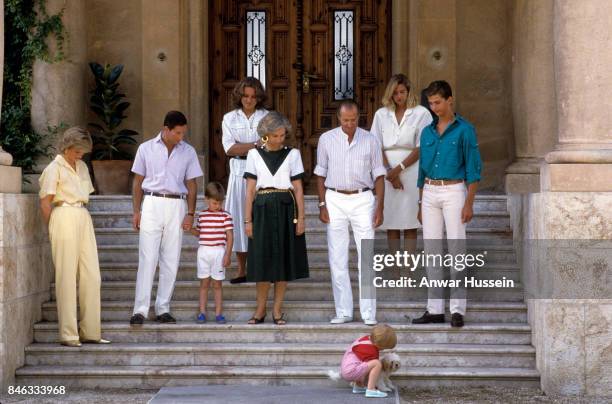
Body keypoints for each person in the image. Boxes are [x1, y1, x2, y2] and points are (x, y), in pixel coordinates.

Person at [412, 80, 482, 328]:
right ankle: (434, 309)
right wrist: (420, 202)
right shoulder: (427, 132)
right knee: (431, 251)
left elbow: (474, 169)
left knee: (456, 250)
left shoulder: (465, 129)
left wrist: (469, 203)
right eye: (430, 103)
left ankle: (457, 310)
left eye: (438, 102)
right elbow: (421, 169)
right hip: (430, 191)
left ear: (450, 100)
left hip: (454, 190)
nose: (434, 108)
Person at [314, 99, 387, 326]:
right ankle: (344, 311)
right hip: (334, 198)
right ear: (339, 118)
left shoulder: (370, 140)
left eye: (353, 120)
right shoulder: (326, 139)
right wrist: (322, 204)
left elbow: (379, 176)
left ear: (359, 117)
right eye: (345, 120)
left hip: (363, 198)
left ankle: (368, 313)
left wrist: (380, 206)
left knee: (366, 257)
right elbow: (320, 174)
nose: (349, 124)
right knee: (337, 258)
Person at [129, 111, 203, 326]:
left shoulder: (188, 151)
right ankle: (140, 310)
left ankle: (163, 308)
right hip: (151, 202)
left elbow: (192, 184)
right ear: (166, 129)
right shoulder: (145, 148)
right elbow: (137, 181)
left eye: (183, 132)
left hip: (177, 204)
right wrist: (136, 211)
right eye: (178, 132)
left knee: (171, 258)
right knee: (147, 257)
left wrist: (190, 213)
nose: (181, 136)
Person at [39, 127, 110, 347]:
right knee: (66, 277)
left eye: (83, 152)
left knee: (92, 276)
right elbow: (45, 202)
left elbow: (85, 193)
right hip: (63, 215)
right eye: (78, 151)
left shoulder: (81, 167)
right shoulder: (54, 168)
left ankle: (91, 332)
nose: (81, 156)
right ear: (68, 147)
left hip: (82, 215)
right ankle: (69, 334)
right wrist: (52, 227)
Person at [243, 111, 309, 325]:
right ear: (265, 135)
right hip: (261, 209)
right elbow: (250, 190)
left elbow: (298, 189)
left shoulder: (293, 154)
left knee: (283, 262)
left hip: (286, 208)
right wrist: (247, 220)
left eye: (283, 135)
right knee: (262, 261)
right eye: (275, 136)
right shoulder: (253, 155)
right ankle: (260, 309)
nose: (280, 139)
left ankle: (277, 310)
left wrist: (301, 218)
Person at [369, 74, 433, 250]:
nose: (399, 96)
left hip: (411, 172)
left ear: (409, 92)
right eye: (395, 92)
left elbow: (422, 147)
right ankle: (396, 273)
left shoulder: (422, 113)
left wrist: (398, 170)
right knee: (392, 223)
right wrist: (389, 172)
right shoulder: (381, 114)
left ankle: (408, 273)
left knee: (410, 222)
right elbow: (376, 145)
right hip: (387, 171)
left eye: (402, 92)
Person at [222, 77, 269, 284]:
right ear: (239, 96)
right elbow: (229, 149)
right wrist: (255, 144)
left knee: (261, 219)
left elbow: (269, 142)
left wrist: (248, 145)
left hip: (263, 171)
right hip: (238, 171)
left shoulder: (267, 117)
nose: (249, 100)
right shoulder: (229, 118)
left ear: (258, 98)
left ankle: (262, 267)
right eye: (245, 96)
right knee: (239, 219)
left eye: (253, 97)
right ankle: (242, 269)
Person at [190, 182, 233, 324]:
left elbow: (230, 236)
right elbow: (199, 233)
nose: (218, 206)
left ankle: (219, 313)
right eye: (215, 203)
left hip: (219, 252)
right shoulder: (202, 215)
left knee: (217, 284)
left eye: (220, 203)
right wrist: (189, 229)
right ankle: (202, 312)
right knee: (204, 283)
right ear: (206, 199)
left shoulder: (226, 216)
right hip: (203, 252)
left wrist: (227, 254)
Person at [339, 324, 397, 398]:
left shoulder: (365, 339)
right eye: (384, 347)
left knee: (366, 364)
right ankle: (371, 390)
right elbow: (371, 371)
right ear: (378, 344)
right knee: (377, 364)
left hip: (348, 369)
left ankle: (358, 386)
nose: (383, 350)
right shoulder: (371, 350)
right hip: (351, 371)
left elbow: (365, 367)